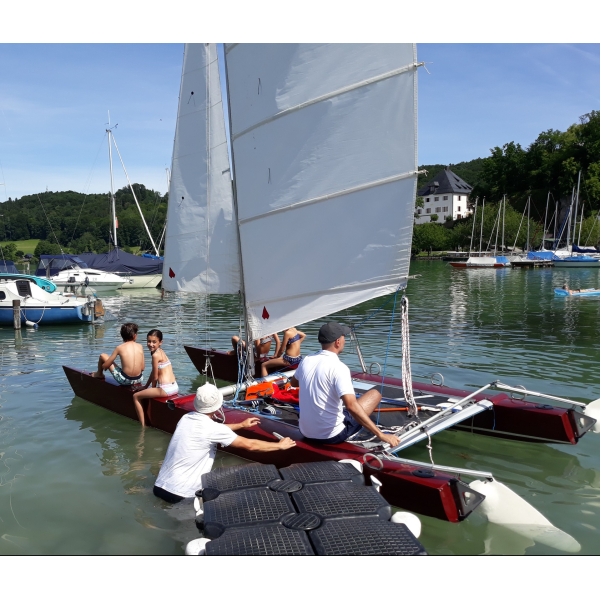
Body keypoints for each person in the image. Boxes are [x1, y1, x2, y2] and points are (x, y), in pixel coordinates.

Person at [153, 383, 296, 503]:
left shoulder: (186, 418)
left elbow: (213, 430)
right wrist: (279, 446)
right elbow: (249, 445)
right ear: (217, 406)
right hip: (182, 494)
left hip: (159, 486)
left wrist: (241, 425)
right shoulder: (212, 429)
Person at [290, 321, 400, 447]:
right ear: (338, 342)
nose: (345, 341)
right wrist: (381, 435)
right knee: (375, 394)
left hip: (305, 432)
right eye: (344, 337)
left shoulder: (307, 360)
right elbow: (351, 406)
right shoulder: (339, 368)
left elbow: (294, 382)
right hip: (331, 436)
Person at [132, 329, 179, 427]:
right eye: (149, 341)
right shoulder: (161, 352)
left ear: (160, 342)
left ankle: (143, 426)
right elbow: (154, 372)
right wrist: (146, 387)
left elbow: (155, 377)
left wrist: (152, 389)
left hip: (165, 389)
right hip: (174, 387)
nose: (151, 344)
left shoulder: (155, 355)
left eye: (154, 342)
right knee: (142, 393)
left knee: (135, 396)